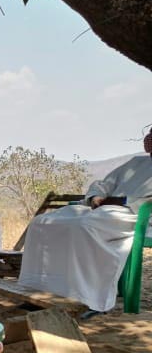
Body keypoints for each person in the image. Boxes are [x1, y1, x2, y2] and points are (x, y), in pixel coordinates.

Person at [19, 134, 152, 313]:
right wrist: (96, 196)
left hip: (134, 214)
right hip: (103, 209)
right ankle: (39, 290)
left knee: (83, 226)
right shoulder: (136, 163)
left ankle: (83, 295)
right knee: (41, 223)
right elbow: (104, 184)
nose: (148, 137)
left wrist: (119, 202)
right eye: (149, 132)